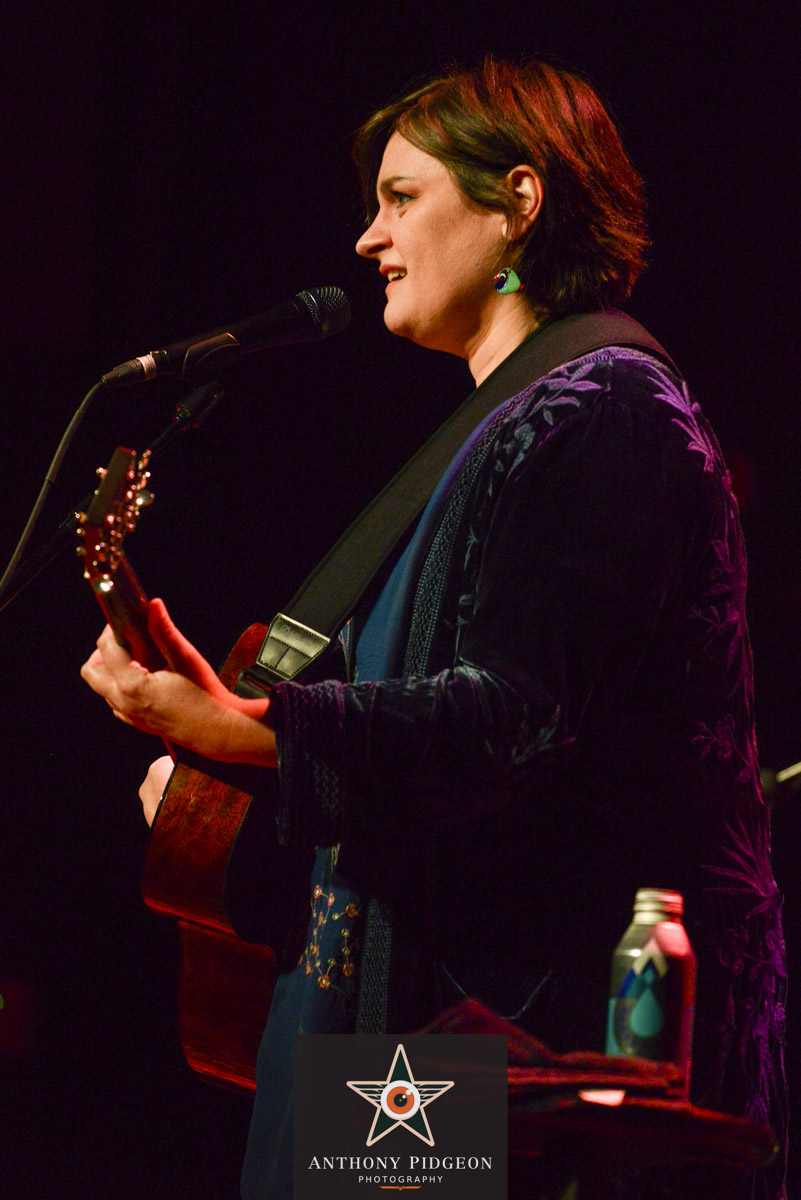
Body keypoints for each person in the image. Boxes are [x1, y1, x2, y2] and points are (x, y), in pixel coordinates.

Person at [81, 59, 788, 1199]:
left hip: (566, 1075)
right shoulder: (503, 427)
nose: (368, 239)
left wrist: (250, 733)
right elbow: (439, 802)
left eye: (402, 198)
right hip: (442, 1064)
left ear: (520, 198)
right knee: (307, 1164)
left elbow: (508, 727)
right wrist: (232, 789)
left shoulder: (609, 411)